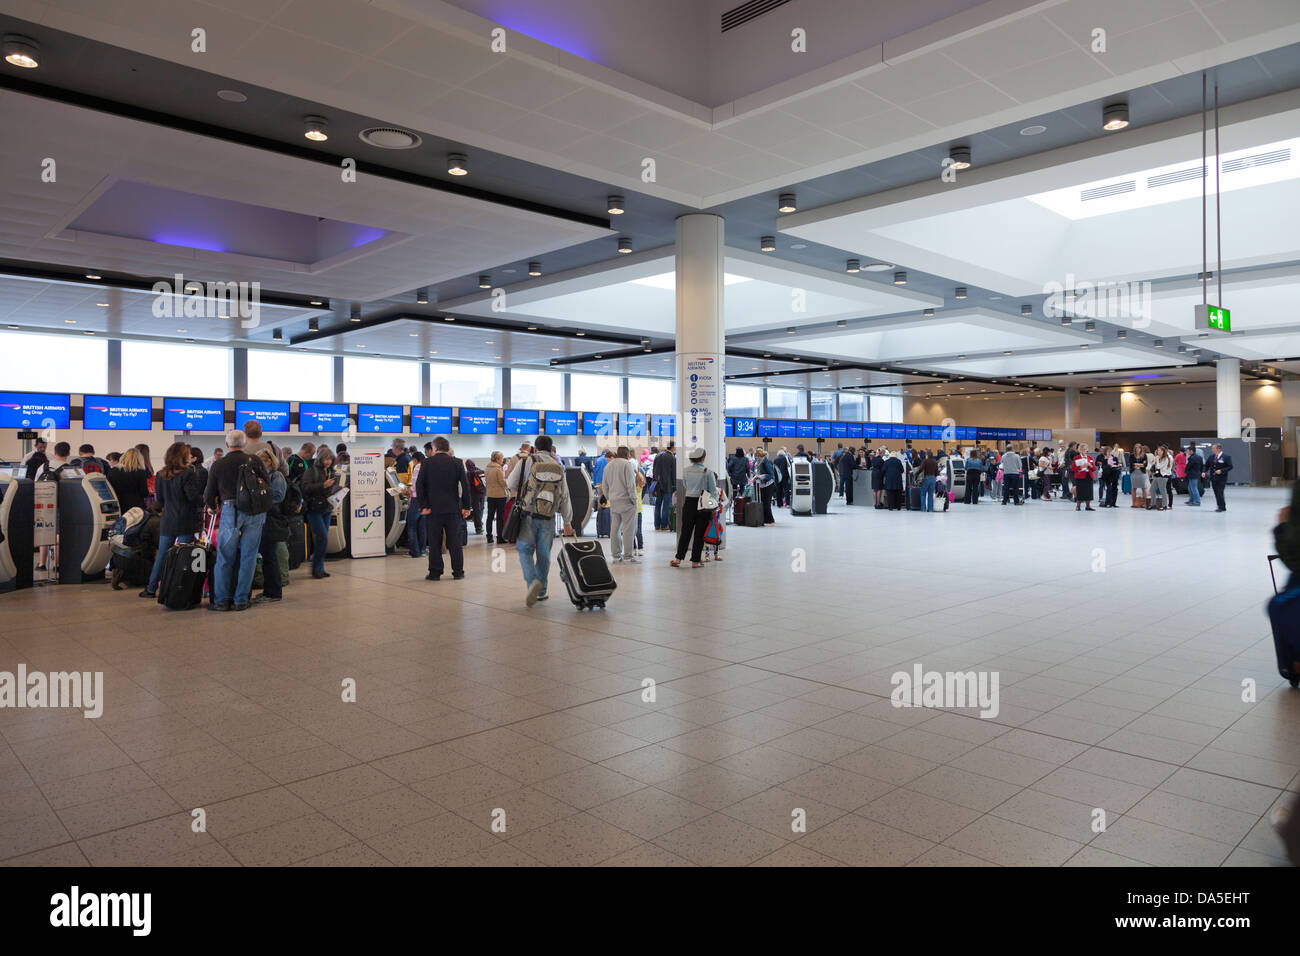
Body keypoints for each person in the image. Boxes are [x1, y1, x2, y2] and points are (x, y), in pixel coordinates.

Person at [203, 429, 271, 611]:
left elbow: (208, 493)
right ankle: (241, 600)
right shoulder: (254, 460)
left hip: (230, 510)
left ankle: (222, 600)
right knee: (249, 556)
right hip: (256, 512)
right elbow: (267, 484)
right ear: (245, 444)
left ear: (227, 445)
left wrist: (212, 506)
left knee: (225, 557)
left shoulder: (219, 464)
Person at [506, 435, 574, 605]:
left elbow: (511, 483)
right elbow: (565, 496)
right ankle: (541, 591)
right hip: (548, 517)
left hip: (528, 514)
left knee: (524, 549)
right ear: (552, 450)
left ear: (535, 448)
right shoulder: (558, 466)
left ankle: (532, 582)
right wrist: (567, 521)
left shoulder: (527, 461)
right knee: (544, 555)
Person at [140, 442, 205, 598]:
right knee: (184, 556)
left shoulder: (161, 474)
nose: (190, 456)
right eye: (188, 453)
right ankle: (180, 589)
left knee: (162, 555)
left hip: (168, 519)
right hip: (186, 520)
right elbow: (193, 497)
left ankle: (150, 588)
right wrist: (205, 501)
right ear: (182, 456)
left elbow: (160, 500)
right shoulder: (188, 474)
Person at [415, 436, 472, 582]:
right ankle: (458, 571)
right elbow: (465, 486)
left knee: (434, 542)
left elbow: (419, 486)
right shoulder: (457, 463)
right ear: (447, 448)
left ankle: (435, 572)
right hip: (453, 508)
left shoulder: (426, 463)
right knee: (455, 542)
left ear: (434, 448)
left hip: (433, 510)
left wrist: (424, 505)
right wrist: (466, 506)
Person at [671, 447, 718, 569]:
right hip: (703, 504)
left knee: (685, 531)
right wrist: (715, 508)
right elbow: (713, 491)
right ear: (703, 458)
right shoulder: (708, 472)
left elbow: (685, 485)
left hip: (689, 502)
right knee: (699, 533)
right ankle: (695, 561)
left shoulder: (686, 471)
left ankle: (678, 558)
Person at [252, 447, 287, 605]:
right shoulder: (261, 476)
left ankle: (274, 592)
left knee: (270, 557)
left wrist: (259, 500)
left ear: (269, 461)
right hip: (261, 519)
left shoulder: (276, 475)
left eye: (261, 461)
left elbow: (278, 496)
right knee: (267, 557)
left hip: (271, 520)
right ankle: (269, 590)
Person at [300, 447, 339, 580]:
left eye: (330, 459)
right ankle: (316, 568)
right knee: (322, 537)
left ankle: (320, 568)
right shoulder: (311, 472)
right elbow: (305, 488)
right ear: (320, 459)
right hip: (314, 509)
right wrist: (323, 485)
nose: (328, 462)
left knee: (323, 539)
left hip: (326, 508)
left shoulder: (330, 472)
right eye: (326, 459)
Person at [604, 446, 641, 563]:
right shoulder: (627, 464)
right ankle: (628, 556)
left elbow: (605, 486)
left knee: (615, 528)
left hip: (614, 501)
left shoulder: (608, 466)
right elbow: (630, 484)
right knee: (628, 529)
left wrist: (609, 497)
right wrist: (633, 499)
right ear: (627, 454)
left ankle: (616, 555)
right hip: (627, 501)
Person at [107, 447, 151, 514]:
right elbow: (144, 492)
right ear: (139, 459)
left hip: (118, 505)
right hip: (136, 507)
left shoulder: (113, 471)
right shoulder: (141, 472)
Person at [405, 450, 427, 558]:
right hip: (425, 500)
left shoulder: (417, 467)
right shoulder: (427, 466)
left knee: (412, 526)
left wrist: (407, 490)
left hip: (415, 499)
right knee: (422, 526)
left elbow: (414, 484)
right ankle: (422, 550)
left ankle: (414, 552)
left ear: (415, 459)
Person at [484, 451, 508, 544]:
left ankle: (489, 537)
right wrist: (508, 483)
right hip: (499, 495)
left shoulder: (487, 467)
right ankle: (499, 537)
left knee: (490, 516)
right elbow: (502, 482)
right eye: (502, 458)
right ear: (497, 459)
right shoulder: (498, 469)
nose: (502, 460)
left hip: (490, 494)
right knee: (500, 517)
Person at [652, 442, 676, 531]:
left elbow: (654, 470)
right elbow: (673, 473)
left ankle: (657, 525)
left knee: (657, 505)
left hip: (658, 485)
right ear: (672, 447)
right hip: (668, 485)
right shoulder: (672, 457)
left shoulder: (658, 455)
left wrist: (655, 481)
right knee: (666, 505)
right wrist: (675, 486)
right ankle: (664, 525)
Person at [464, 457, 487, 535]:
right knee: (482, 508)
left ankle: (478, 528)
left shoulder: (468, 473)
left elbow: (467, 485)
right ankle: (479, 522)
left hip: (474, 494)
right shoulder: (480, 471)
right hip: (483, 493)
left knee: (476, 510)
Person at [754, 447, 777, 524]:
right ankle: (765, 519)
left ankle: (770, 520)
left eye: (757, 456)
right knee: (764, 503)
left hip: (768, 485)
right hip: (763, 485)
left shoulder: (765, 461)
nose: (756, 457)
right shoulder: (759, 462)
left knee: (767, 503)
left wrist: (761, 476)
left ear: (759, 455)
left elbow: (771, 475)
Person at [1208, 444, 1232, 511]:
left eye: (1213, 448)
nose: (1212, 450)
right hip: (1213, 478)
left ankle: (1221, 507)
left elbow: (1230, 466)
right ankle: (1221, 506)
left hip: (1222, 478)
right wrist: (1204, 472)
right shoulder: (1211, 457)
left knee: (1220, 492)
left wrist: (1221, 470)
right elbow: (1207, 465)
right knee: (1216, 492)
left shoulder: (1226, 457)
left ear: (1218, 449)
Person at [1148, 445, 1173, 511]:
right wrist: (1155, 461)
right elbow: (1154, 465)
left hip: (1163, 476)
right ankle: (1153, 504)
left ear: (1162, 451)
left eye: (1159, 450)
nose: (1157, 452)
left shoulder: (1166, 458)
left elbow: (1159, 467)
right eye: (1157, 450)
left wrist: (1157, 460)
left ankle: (1164, 505)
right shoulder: (1158, 457)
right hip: (1157, 475)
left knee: (1163, 491)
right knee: (1152, 489)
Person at [1072, 446, 1096, 512]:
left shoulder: (1090, 458)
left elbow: (1094, 469)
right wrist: (1081, 467)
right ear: (1079, 450)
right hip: (1080, 476)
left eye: (1085, 449)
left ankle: (1088, 506)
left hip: (1089, 476)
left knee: (1089, 491)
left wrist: (1090, 465)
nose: (1084, 450)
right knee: (1080, 491)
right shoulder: (1076, 458)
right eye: (1082, 449)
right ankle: (1078, 506)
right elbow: (1073, 468)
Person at [1129, 443, 1148, 508]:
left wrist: (1136, 464)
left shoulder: (1144, 455)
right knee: (1134, 488)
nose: (1138, 449)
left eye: (1139, 448)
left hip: (1142, 473)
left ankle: (1145, 503)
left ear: (1141, 449)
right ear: (1135, 449)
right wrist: (1140, 464)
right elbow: (1131, 464)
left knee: (1143, 488)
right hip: (1134, 473)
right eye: (1136, 448)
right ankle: (1134, 503)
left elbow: (1145, 465)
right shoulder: (1131, 456)